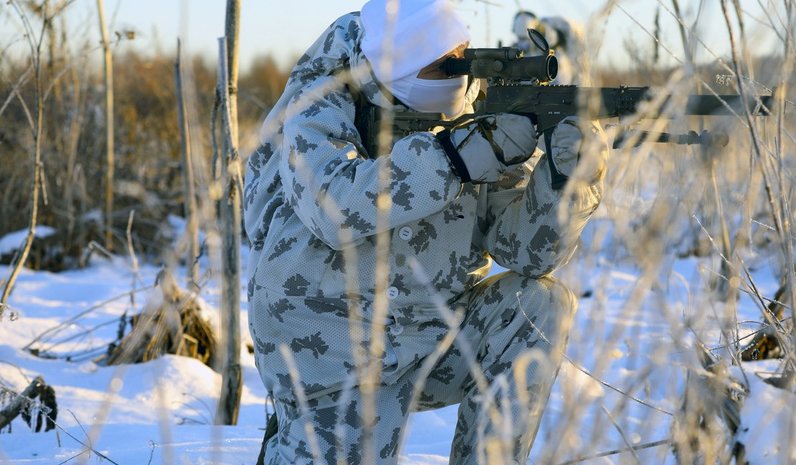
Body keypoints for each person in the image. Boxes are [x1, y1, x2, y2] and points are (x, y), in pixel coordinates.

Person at [243, 0, 608, 464]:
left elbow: (526, 254)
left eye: (464, 55)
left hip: (431, 335)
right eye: (445, 64)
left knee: (539, 303)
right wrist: (456, 158)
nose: (460, 76)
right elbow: (332, 207)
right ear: (402, 65)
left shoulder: (477, 107)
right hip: (330, 348)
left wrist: (566, 182)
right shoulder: (320, 100)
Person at [511, 10, 588, 86]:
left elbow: (553, 38)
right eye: (520, 38)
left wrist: (544, 30)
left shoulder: (547, 35)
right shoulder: (515, 51)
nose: (523, 43)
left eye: (526, 39)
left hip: (559, 89)